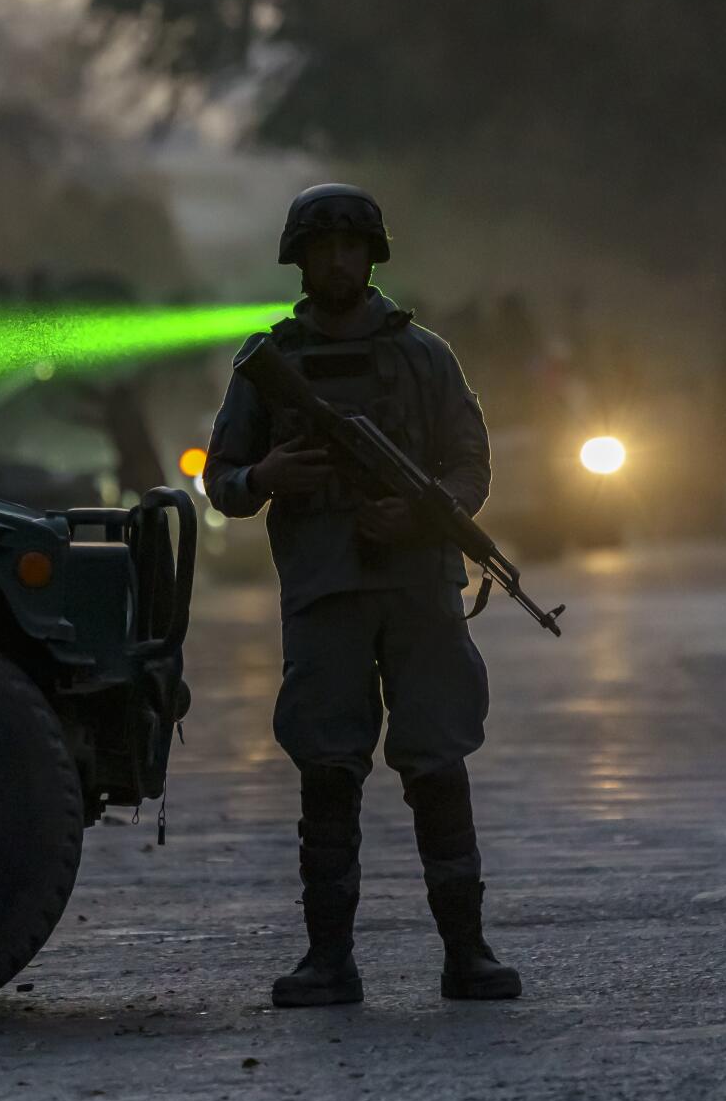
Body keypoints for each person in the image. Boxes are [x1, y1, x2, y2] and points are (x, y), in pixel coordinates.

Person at [204, 183, 522, 1007]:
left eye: (352, 246)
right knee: (328, 769)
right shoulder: (269, 363)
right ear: (300, 259)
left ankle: (467, 951)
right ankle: (329, 959)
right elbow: (223, 481)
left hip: (418, 589)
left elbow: (469, 464)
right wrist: (268, 475)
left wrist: (423, 513)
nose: (338, 260)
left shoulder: (425, 355)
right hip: (325, 593)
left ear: (372, 254)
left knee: (438, 762)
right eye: (323, 247)